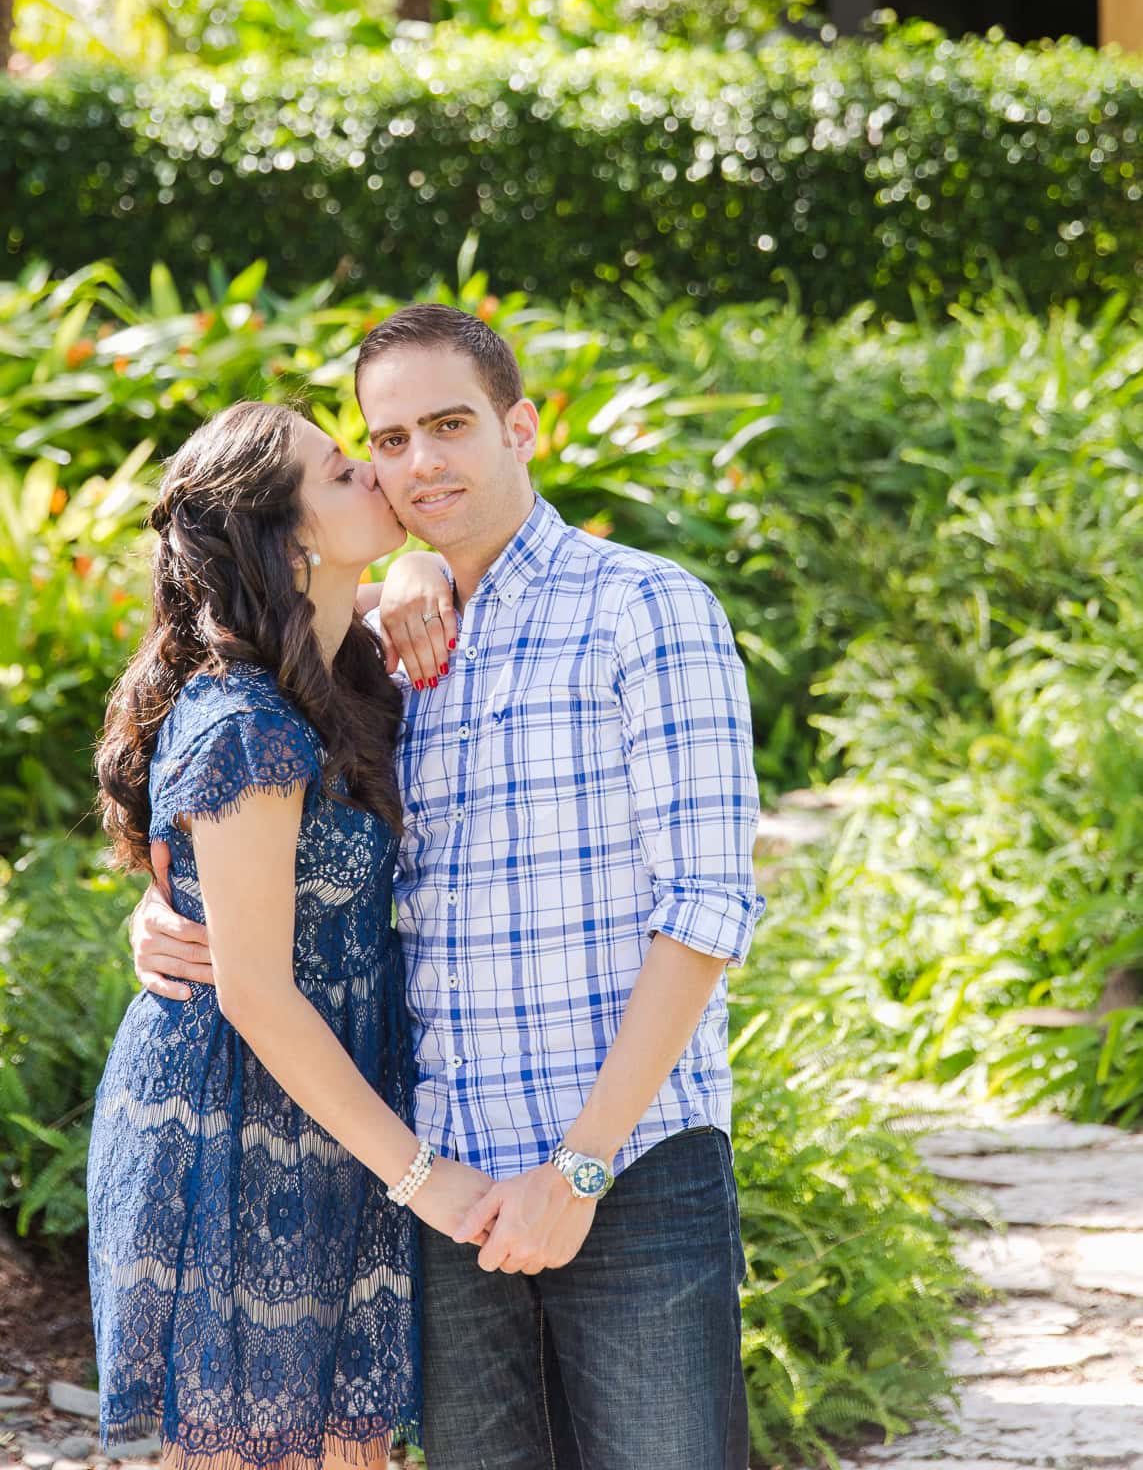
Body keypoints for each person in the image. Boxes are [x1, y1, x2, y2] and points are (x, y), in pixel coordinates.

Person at [130, 306, 767, 1470]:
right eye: (384, 438)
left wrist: (577, 1166)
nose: (419, 461)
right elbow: (254, 798)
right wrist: (175, 913)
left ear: (519, 427)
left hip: (625, 1164)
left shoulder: (643, 608)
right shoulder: (378, 654)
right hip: (444, 1183)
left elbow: (707, 907)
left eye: (450, 424)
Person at [86, 399, 494, 1470]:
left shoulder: (346, 672)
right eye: (340, 466)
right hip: (233, 1119)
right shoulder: (247, 721)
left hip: (335, 1099)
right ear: (289, 534)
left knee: (350, 1450)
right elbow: (256, 988)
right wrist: (423, 1176)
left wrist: (417, 573)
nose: (375, 471)